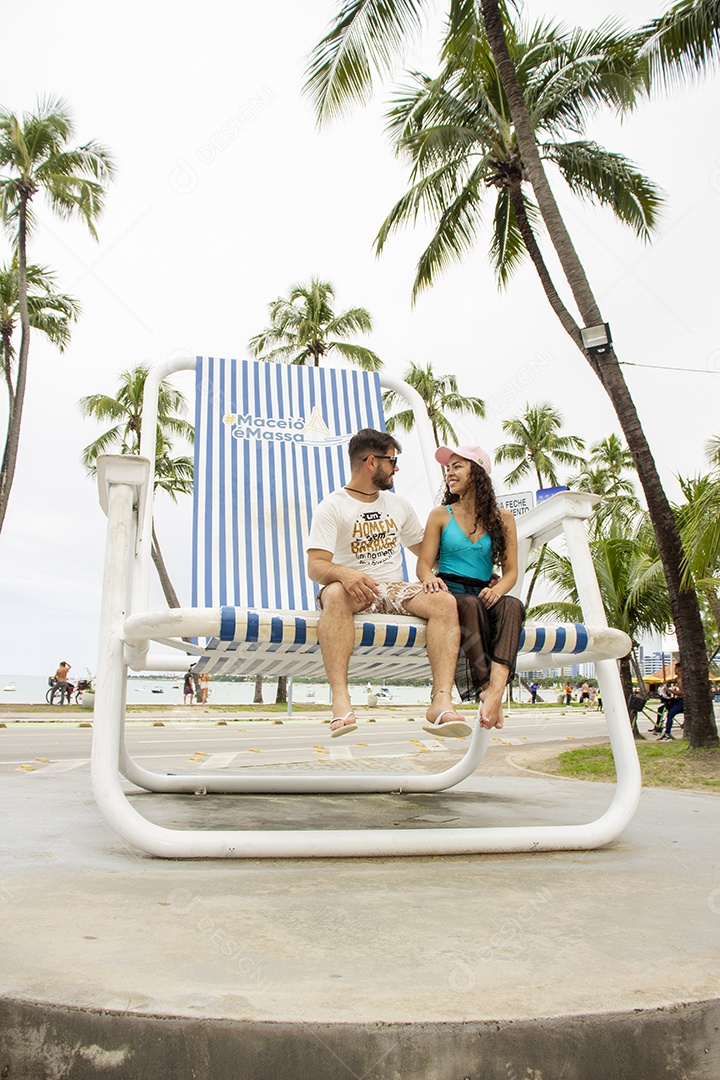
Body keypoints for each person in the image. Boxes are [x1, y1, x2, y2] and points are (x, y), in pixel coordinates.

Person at [306, 428, 470, 739]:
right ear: (371, 462)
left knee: (444, 602)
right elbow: (315, 567)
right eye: (392, 461)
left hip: (393, 589)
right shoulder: (333, 506)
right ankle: (341, 702)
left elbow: (429, 555)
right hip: (352, 589)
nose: (396, 467)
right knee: (336, 594)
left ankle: (440, 702)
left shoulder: (398, 505)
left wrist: (476, 569)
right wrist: (344, 573)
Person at [415, 444, 524, 730]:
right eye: (448, 468)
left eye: (456, 466)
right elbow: (424, 565)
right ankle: (487, 687)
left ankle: (495, 690)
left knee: (513, 605)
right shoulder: (440, 514)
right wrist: (429, 578)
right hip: (451, 593)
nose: (449, 473)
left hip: (485, 592)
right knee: (470, 604)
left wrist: (498, 590)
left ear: (477, 472)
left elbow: (511, 572)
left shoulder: (504, 519)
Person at [659, 663, 684, 740]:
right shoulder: (678, 678)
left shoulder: (683, 680)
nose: (674, 670)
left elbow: (682, 693)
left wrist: (669, 690)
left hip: (682, 701)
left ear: (679, 669)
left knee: (670, 714)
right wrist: (668, 681)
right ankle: (657, 727)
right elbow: (673, 680)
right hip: (678, 699)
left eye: (675, 668)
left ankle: (667, 732)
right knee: (661, 708)